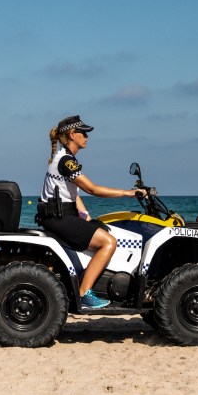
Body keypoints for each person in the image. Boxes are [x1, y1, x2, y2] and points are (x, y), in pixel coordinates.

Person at [38, 115, 146, 310]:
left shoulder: (64, 159)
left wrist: (84, 213)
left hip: (62, 214)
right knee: (108, 242)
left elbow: (70, 193)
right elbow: (92, 189)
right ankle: (84, 293)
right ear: (72, 134)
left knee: (104, 229)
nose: (87, 137)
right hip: (59, 217)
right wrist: (129, 193)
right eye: (84, 133)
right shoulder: (66, 161)